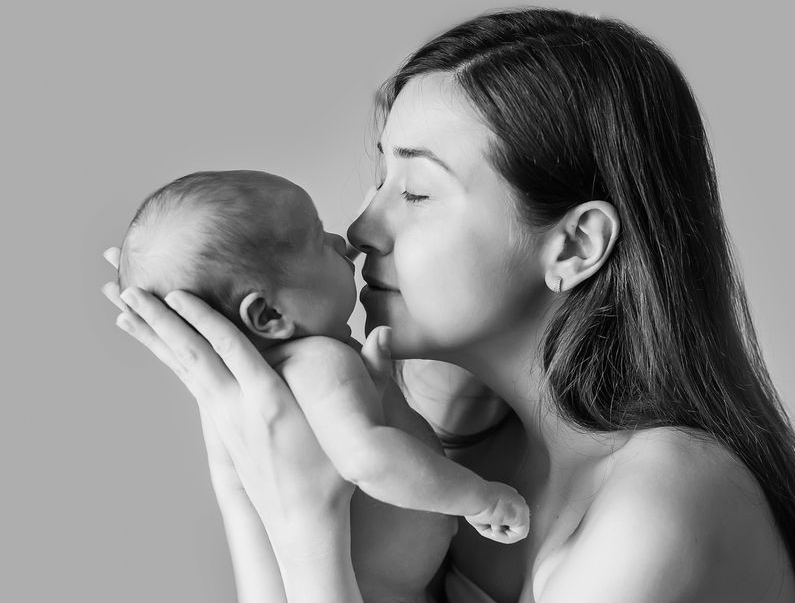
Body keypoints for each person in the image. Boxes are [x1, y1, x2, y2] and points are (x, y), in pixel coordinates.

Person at [104, 9, 795, 603]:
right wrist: (239, 462)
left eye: (414, 189)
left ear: (574, 246)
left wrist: (303, 525)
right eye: (376, 180)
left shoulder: (673, 500)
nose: (362, 226)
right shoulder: (450, 454)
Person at [117, 168, 529, 541]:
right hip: (388, 601)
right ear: (269, 314)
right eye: (319, 240)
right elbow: (367, 460)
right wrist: (480, 499)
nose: (343, 242)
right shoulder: (318, 363)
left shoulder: (283, 379)